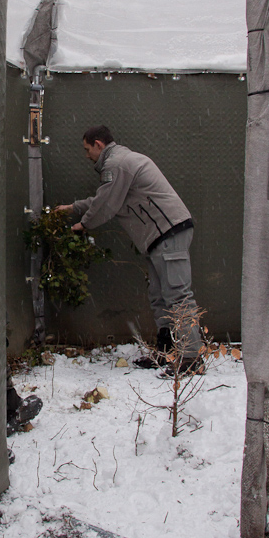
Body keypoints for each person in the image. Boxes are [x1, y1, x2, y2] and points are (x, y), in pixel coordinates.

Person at [55, 125, 202, 367]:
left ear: (99, 144)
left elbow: (105, 204)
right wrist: (73, 208)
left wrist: (83, 224)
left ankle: (191, 358)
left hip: (168, 231)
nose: (86, 155)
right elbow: (104, 198)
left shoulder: (117, 164)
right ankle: (165, 353)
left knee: (177, 296)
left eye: (87, 149)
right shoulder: (121, 162)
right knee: (159, 296)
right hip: (159, 236)